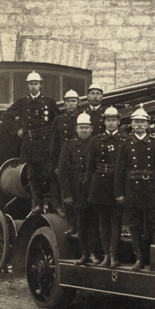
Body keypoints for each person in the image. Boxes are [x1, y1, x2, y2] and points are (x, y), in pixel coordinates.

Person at [115, 107, 155, 271]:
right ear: (131, 124)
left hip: (152, 189)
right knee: (134, 225)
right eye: (136, 122)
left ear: (147, 124)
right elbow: (119, 170)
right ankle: (139, 259)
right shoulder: (125, 145)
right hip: (132, 189)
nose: (139, 125)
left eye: (142, 122)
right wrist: (119, 192)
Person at [0, 71, 61, 213]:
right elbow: (5, 116)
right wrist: (17, 130)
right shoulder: (22, 103)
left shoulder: (49, 102)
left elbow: (58, 121)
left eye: (36, 84)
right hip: (30, 146)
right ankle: (38, 205)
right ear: (27, 86)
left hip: (46, 146)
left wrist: (54, 138)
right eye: (31, 84)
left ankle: (57, 205)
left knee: (51, 175)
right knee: (33, 177)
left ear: (41, 85)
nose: (34, 86)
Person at [86, 106, 125, 268]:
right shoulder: (96, 141)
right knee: (103, 221)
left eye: (113, 120)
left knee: (116, 221)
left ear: (119, 122)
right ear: (104, 122)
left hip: (117, 185)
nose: (111, 123)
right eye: (108, 120)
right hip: (100, 185)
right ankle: (106, 254)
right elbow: (90, 168)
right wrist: (90, 189)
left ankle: (114, 254)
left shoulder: (124, 140)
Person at [57, 113, 99, 264]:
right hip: (77, 189)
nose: (84, 131)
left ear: (91, 129)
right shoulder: (69, 146)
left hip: (94, 187)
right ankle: (84, 253)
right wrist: (67, 194)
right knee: (81, 223)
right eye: (81, 128)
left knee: (94, 222)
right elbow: (63, 172)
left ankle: (94, 253)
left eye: (87, 128)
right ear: (76, 129)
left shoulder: (96, 143)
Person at [49, 89, 82, 215]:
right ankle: (61, 209)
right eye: (68, 101)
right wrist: (55, 164)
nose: (71, 104)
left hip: (79, 158)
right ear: (65, 104)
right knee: (64, 186)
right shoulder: (58, 120)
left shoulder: (83, 118)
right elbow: (54, 144)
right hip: (63, 158)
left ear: (78, 103)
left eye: (73, 101)